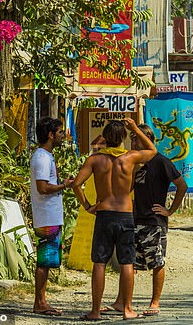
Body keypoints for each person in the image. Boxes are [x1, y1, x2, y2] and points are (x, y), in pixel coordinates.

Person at [71, 118, 157, 321]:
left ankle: (95, 311)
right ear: (124, 138)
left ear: (105, 138)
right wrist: (136, 127)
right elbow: (152, 150)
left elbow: (76, 184)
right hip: (125, 214)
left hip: (104, 213)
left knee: (100, 262)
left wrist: (88, 206)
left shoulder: (95, 160)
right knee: (127, 262)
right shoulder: (130, 158)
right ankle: (127, 309)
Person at [107, 124, 188, 317]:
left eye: (136, 138)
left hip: (154, 222)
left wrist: (169, 210)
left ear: (147, 140)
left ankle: (155, 301)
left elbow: (181, 185)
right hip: (134, 219)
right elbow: (127, 190)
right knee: (129, 263)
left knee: (157, 261)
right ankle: (122, 301)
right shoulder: (135, 163)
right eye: (132, 139)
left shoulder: (161, 161)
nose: (133, 142)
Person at [30, 117, 74, 317]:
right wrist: (64, 185)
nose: (62, 136)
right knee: (44, 261)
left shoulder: (47, 156)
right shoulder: (42, 158)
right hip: (46, 216)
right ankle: (39, 302)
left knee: (47, 262)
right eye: (59, 133)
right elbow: (43, 187)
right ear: (50, 135)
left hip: (50, 215)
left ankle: (42, 300)